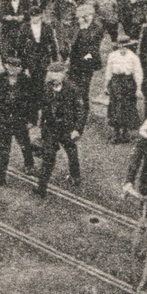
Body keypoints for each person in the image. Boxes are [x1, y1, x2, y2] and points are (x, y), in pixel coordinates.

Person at [35, 63, 83, 196]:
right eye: (51, 77)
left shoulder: (72, 89)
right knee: (48, 156)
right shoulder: (46, 88)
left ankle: (75, 176)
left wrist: (77, 129)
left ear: (63, 75)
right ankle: (42, 186)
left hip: (67, 128)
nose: (53, 80)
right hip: (51, 128)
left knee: (71, 152)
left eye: (56, 76)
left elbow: (80, 111)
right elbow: (41, 105)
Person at [0, 57, 35, 187]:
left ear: (21, 68)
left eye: (16, 67)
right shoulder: (1, 78)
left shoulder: (26, 80)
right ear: (6, 66)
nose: (13, 69)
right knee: (2, 149)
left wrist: (32, 119)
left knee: (24, 143)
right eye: (10, 66)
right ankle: (0, 176)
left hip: (19, 119)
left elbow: (32, 102)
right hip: (3, 118)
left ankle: (29, 164)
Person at [68, 1, 107, 122]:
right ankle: (76, 111)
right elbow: (73, 44)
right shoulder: (77, 27)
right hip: (75, 63)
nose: (79, 19)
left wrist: (83, 60)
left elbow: (93, 49)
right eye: (79, 17)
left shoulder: (96, 29)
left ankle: (84, 113)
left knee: (84, 89)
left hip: (87, 62)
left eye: (82, 17)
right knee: (73, 87)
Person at [105, 33, 145, 143]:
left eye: (125, 47)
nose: (123, 49)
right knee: (115, 106)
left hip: (128, 83)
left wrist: (138, 88)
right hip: (116, 82)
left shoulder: (133, 57)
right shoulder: (112, 56)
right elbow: (109, 70)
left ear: (128, 46)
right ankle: (116, 133)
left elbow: (138, 73)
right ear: (118, 46)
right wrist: (106, 85)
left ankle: (125, 133)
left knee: (127, 107)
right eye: (121, 46)